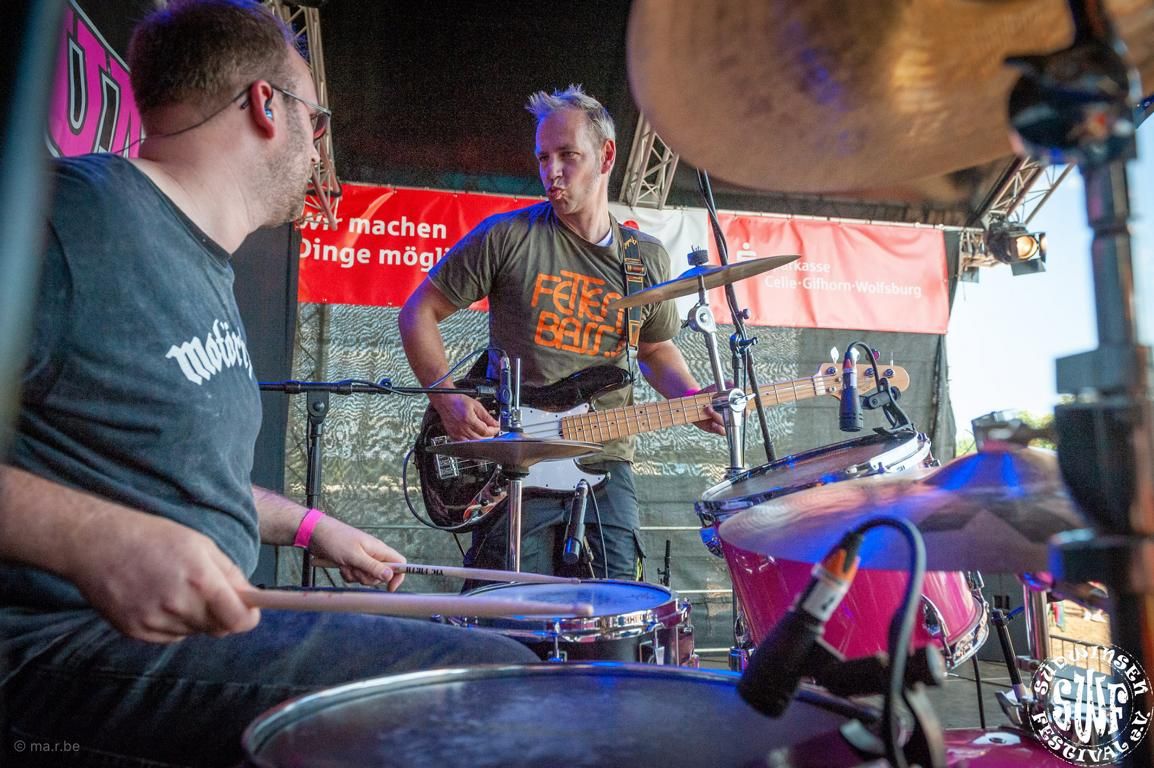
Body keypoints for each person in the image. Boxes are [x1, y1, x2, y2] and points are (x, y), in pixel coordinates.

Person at [0, 2, 536, 766]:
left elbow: (167, 482)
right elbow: (116, 516)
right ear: (266, 105)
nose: (318, 148)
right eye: (316, 120)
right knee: (500, 682)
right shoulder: (74, 220)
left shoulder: (197, 259)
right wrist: (92, 539)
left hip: (186, 631)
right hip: (59, 644)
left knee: (491, 648)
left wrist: (311, 527)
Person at [399, 85, 723, 582]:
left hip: (605, 460)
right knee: (511, 607)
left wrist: (693, 399)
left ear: (606, 156)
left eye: (568, 155)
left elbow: (654, 348)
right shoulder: (507, 237)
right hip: (516, 460)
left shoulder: (644, 258)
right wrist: (447, 398)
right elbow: (418, 312)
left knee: (614, 608)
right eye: (543, 157)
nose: (551, 171)